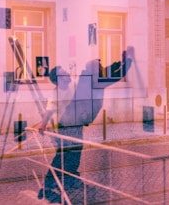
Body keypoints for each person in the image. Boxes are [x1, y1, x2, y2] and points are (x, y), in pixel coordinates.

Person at [38, 48, 134, 204]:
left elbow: (103, 73)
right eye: (64, 75)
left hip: (76, 125)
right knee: (64, 155)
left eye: (66, 73)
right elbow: (48, 112)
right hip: (65, 127)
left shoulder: (75, 84)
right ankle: (49, 184)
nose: (68, 75)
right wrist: (43, 125)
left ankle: (68, 179)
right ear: (58, 80)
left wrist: (121, 61)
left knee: (73, 154)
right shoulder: (55, 95)